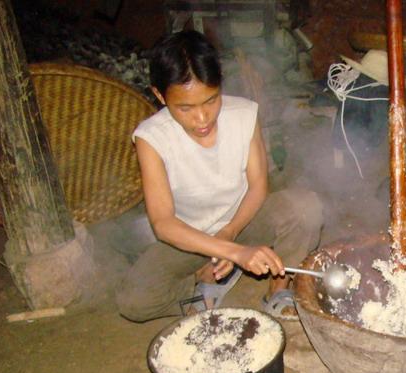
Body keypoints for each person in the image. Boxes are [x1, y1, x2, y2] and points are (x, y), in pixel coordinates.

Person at [117, 30, 322, 322]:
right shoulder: (151, 138)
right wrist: (231, 252)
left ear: (219, 86)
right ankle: (203, 278)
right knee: (133, 302)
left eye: (211, 100)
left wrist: (231, 236)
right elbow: (163, 224)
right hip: (188, 239)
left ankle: (278, 289)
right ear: (159, 95)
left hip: (242, 224)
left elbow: (258, 187)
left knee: (306, 207)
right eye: (185, 108)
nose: (202, 118)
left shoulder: (244, 115)